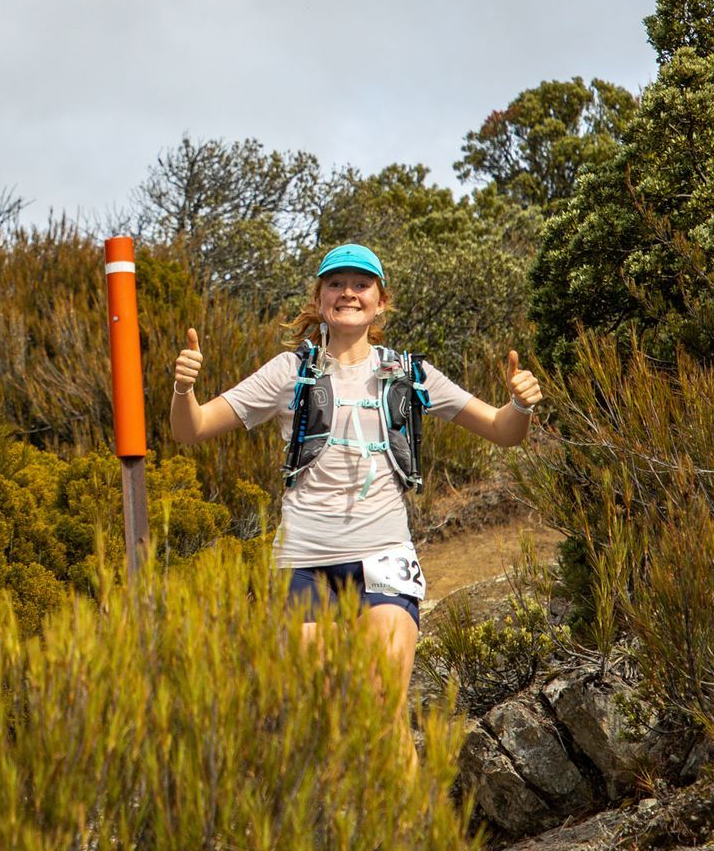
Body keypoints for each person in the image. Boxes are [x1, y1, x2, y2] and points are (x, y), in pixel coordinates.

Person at [169, 242, 543, 725]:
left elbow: (501, 431)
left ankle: (406, 780)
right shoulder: (289, 372)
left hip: (384, 555)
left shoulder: (410, 374)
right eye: (336, 283)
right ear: (319, 298)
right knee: (331, 715)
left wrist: (521, 405)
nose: (348, 293)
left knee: (380, 706)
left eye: (361, 284)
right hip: (302, 562)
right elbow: (192, 428)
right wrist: (184, 389)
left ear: (380, 301)